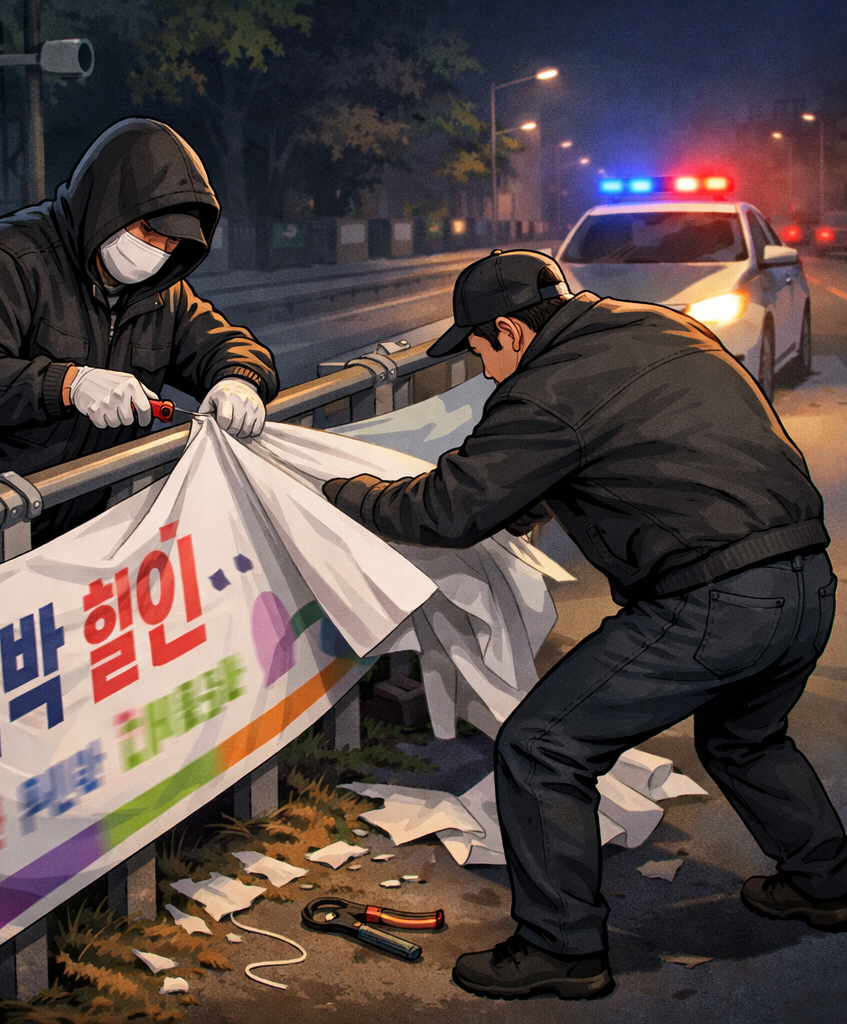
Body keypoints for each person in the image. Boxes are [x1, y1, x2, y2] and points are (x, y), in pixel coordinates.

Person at [323, 248, 847, 1000]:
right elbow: (641, 444)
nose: (480, 368)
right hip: (805, 580)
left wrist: (344, 490)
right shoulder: (660, 327)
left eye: (477, 349)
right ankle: (826, 883)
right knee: (744, 736)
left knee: (542, 748)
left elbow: (445, 510)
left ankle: (560, 950)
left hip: (713, 601)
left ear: (509, 330)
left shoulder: (543, 392)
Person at [0, 117, 278, 608]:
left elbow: (226, 343)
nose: (155, 252)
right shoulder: (2, 261)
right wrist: (69, 384)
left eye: (172, 243)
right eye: (147, 231)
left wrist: (237, 381)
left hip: (72, 537)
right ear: (105, 205)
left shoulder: (160, 294)